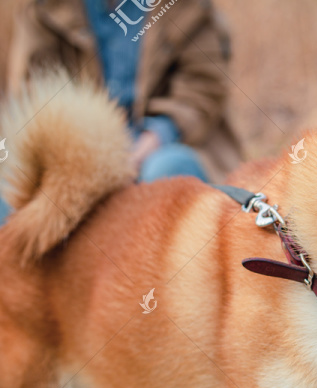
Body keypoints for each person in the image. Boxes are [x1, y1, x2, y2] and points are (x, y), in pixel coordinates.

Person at [1, 0, 242, 224]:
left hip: (166, 144)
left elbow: (203, 88)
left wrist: (148, 144)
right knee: (7, 199)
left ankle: (161, 267)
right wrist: (88, 162)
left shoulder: (186, 6)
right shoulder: (42, 9)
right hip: (78, 152)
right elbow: (33, 93)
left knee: (167, 173)